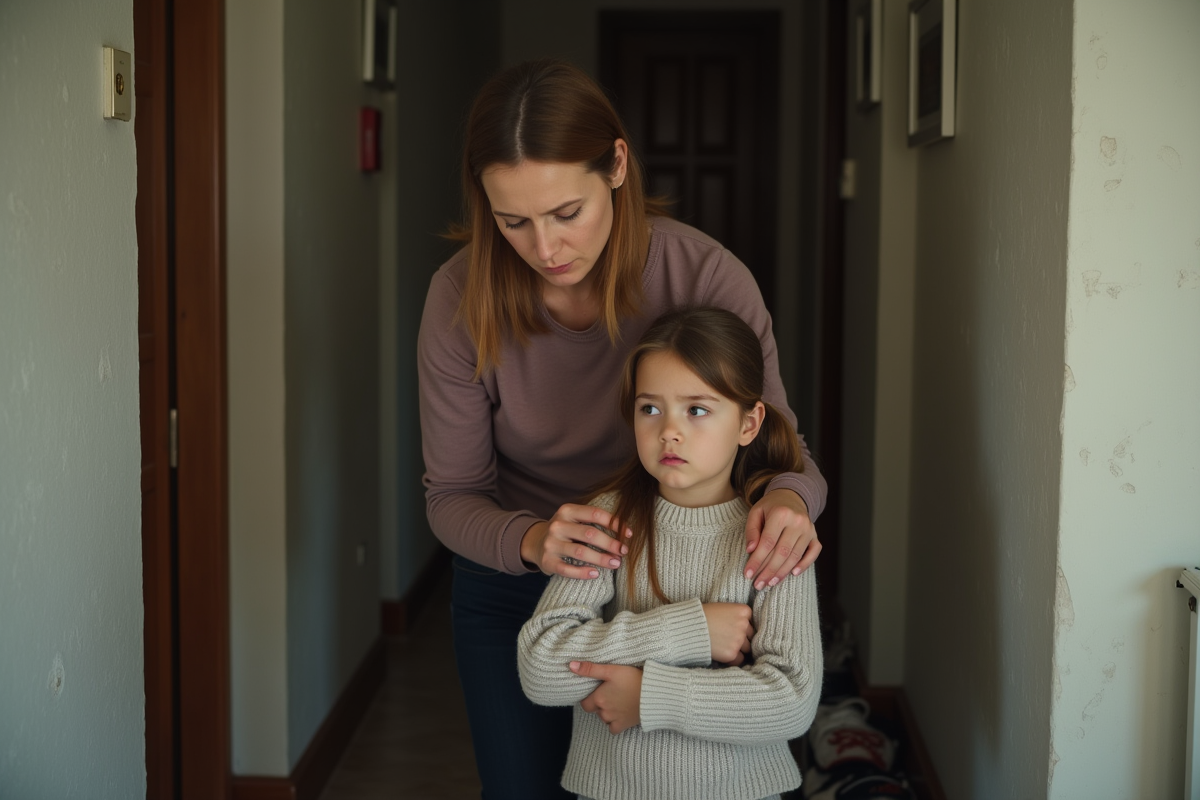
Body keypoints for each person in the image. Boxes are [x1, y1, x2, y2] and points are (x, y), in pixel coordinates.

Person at [417, 58, 827, 799]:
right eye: (513, 222)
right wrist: (535, 541)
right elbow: (452, 495)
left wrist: (792, 502)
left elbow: (778, 442)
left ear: (616, 164)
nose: (545, 248)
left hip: (680, 570)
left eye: (565, 212)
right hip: (527, 574)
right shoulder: (457, 299)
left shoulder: (706, 275)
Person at [516, 306, 822, 800]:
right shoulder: (608, 520)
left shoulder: (773, 535)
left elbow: (790, 702)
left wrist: (648, 698)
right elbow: (541, 668)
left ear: (749, 423)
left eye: (696, 409)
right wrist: (692, 629)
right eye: (650, 408)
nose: (668, 431)